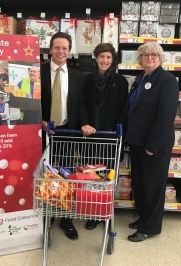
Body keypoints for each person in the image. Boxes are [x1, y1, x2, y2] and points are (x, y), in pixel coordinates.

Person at [41, 32, 96, 240]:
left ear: (69, 52)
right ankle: (46, 216)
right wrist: (41, 121)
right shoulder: (38, 72)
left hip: (67, 133)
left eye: (65, 48)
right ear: (50, 50)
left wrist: (84, 124)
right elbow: (31, 101)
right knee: (44, 176)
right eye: (57, 47)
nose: (61, 51)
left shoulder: (77, 77)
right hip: (43, 133)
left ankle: (65, 217)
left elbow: (80, 105)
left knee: (65, 177)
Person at [126, 42, 179, 242]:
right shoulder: (139, 79)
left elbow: (165, 116)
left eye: (154, 54)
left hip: (153, 145)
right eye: (145, 54)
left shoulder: (167, 80)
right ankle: (144, 218)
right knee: (140, 184)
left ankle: (150, 227)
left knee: (154, 186)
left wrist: (152, 145)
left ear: (160, 57)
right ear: (140, 58)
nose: (150, 57)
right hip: (138, 142)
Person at [83, 43, 128, 230]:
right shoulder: (87, 80)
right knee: (92, 175)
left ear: (113, 59)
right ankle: (94, 213)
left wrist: (117, 132)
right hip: (90, 136)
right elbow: (82, 105)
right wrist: (85, 123)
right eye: (101, 57)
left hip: (110, 138)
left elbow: (123, 110)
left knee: (108, 176)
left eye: (108, 57)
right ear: (96, 58)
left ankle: (106, 213)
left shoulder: (120, 81)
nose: (105, 61)